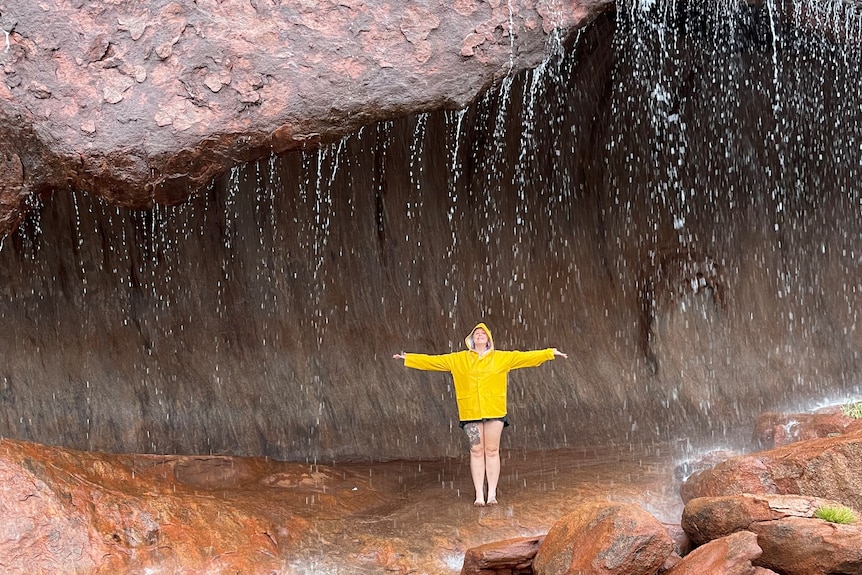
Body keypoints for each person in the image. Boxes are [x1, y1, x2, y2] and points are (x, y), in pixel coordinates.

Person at [393, 322, 567, 506]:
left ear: (489, 338)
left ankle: (491, 493)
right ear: (471, 339)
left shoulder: (502, 358)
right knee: (476, 450)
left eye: (484, 333)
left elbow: (526, 357)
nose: (480, 335)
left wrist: (549, 353)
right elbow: (432, 361)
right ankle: (479, 494)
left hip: (495, 412)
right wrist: (408, 358)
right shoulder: (458, 359)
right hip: (470, 414)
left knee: (491, 451)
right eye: (476, 333)